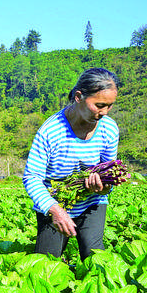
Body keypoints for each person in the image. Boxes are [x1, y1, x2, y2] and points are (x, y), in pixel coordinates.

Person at [23, 67, 119, 261]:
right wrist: (55, 210)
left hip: (91, 202)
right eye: (99, 105)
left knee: (95, 258)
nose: (104, 112)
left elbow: (109, 174)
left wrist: (102, 188)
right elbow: (32, 177)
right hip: (55, 201)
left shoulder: (109, 129)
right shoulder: (51, 131)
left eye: (109, 106)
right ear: (78, 96)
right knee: (45, 263)